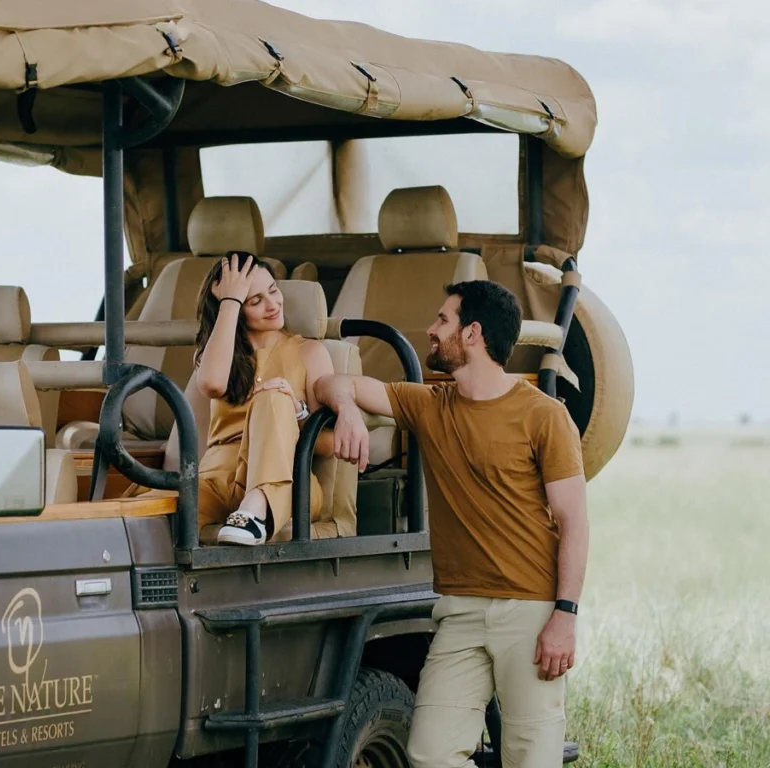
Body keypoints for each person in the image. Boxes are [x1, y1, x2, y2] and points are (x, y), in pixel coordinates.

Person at [313, 280, 588, 768]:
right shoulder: (429, 406)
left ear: (473, 333)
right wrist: (349, 410)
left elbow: (574, 522)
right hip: (459, 612)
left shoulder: (544, 417)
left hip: (530, 611)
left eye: (443, 320)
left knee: (532, 759)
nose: (431, 329)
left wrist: (564, 618)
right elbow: (329, 383)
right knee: (429, 754)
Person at [193, 252, 335, 546]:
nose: (273, 305)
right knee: (146, 522)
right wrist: (230, 301)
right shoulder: (221, 354)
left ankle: (256, 508)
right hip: (216, 480)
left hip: (287, 483)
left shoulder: (310, 352)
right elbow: (210, 383)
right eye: (255, 301)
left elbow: (328, 445)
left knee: (274, 396)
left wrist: (294, 412)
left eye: (273, 291)